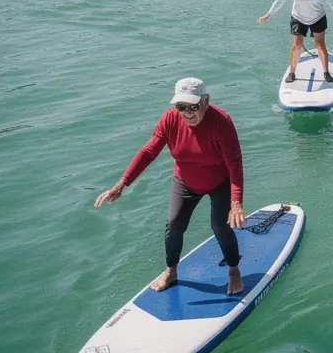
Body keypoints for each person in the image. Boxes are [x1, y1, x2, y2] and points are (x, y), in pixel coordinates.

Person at [94, 78, 247, 295]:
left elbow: (234, 164)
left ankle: (233, 269)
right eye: (181, 107)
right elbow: (148, 152)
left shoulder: (221, 121)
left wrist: (236, 202)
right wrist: (122, 184)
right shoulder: (170, 119)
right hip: (185, 181)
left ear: (206, 101)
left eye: (194, 106)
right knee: (174, 224)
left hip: (218, 182)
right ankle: (171, 271)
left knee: (220, 226)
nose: (188, 113)